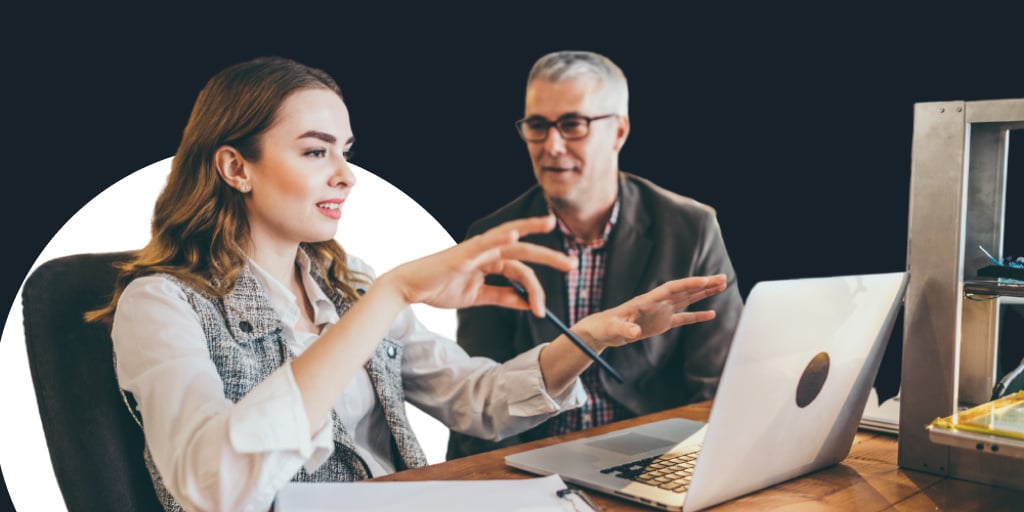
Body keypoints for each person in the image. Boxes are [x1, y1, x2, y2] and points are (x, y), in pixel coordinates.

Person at [84, 56, 729, 512]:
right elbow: (215, 491)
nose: (346, 175)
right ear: (235, 166)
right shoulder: (161, 303)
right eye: (316, 151)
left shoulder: (346, 282)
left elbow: (476, 398)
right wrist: (391, 294)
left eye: (345, 150)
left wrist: (588, 338)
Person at [446, 50, 744, 460]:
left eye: (573, 125)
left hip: (654, 455)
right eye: (537, 125)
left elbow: (719, 389)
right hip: (536, 464)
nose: (551, 145)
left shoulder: (692, 229)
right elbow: (479, 399)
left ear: (619, 132)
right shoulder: (491, 238)